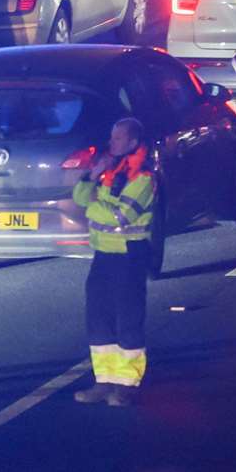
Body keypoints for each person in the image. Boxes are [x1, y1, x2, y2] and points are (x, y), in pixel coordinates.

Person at [72, 117, 156, 407]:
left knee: (128, 319)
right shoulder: (111, 171)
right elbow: (80, 197)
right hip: (104, 254)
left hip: (129, 255)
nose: (112, 143)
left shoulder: (143, 176)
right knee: (98, 317)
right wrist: (91, 176)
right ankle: (103, 381)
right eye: (112, 138)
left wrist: (95, 207)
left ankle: (127, 385)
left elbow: (122, 216)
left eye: (118, 139)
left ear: (133, 142)